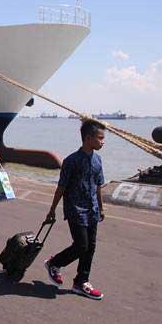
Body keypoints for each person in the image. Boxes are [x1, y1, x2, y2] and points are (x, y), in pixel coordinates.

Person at [44, 119, 106, 300]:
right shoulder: (71, 161)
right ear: (88, 138)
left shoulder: (98, 160)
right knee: (82, 246)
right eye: (100, 138)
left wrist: (101, 208)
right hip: (75, 209)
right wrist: (52, 210)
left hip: (92, 209)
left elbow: (98, 185)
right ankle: (54, 263)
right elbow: (61, 187)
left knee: (91, 247)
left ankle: (81, 282)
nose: (103, 141)